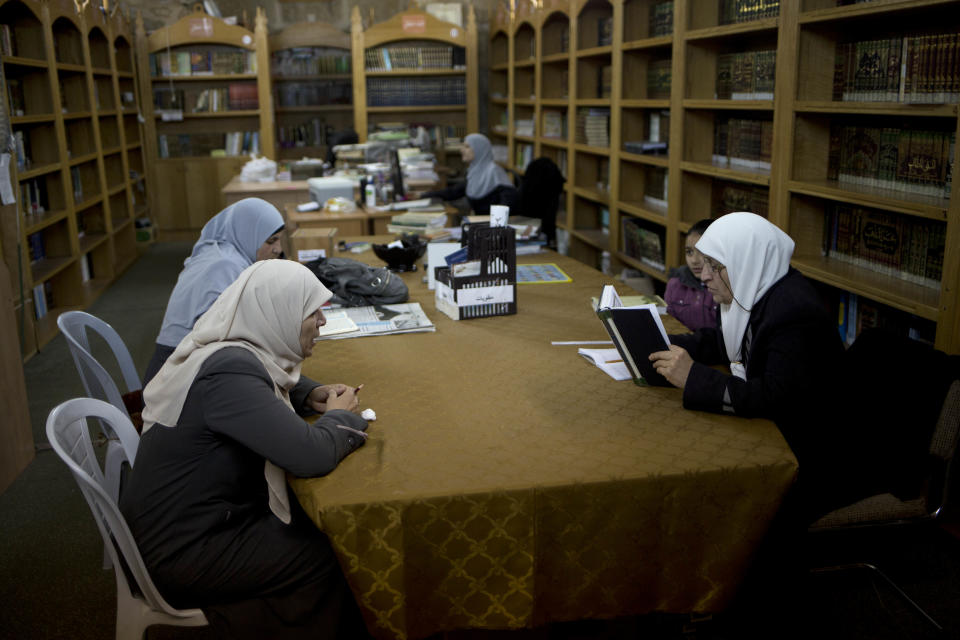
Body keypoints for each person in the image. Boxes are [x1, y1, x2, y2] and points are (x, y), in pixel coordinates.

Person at [120, 259, 371, 639]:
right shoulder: (228, 376)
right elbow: (311, 455)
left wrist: (309, 394)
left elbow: (264, 376)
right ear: (278, 313)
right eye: (312, 311)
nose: (322, 321)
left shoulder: (223, 351)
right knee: (330, 555)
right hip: (182, 554)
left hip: (178, 528)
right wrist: (342, 418)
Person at [648, 211, 852, 517]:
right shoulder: (754, 288)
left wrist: (693, 377)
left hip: (807, 458)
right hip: (771, 436)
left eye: (715, 267)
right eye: (705, 265)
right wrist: (659, 344)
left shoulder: (794, 312)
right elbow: (724, 342)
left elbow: (775, 398)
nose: (704, 276)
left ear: (746, 261)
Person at [142, 198, 285, 385]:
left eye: (280, 240)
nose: (278, 249)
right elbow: (235, 339)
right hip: (175, 378)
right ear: (249, 234)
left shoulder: (220, 252)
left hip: (189, 364)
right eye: (271, 241)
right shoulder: (225, 266)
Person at [423, 133, 519, 216]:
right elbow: (454, 192)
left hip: (494, 228)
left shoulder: (494, 172)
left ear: (479, 149)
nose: (461, 150)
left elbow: (508, 205)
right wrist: (424, 195)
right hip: (480, 225)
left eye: (467, 146)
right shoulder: (475, 171)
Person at [664, 218, 717, 331]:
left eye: (702, 252)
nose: (694, 260)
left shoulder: (723, 289)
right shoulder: (675, 284)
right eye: (689, 252)